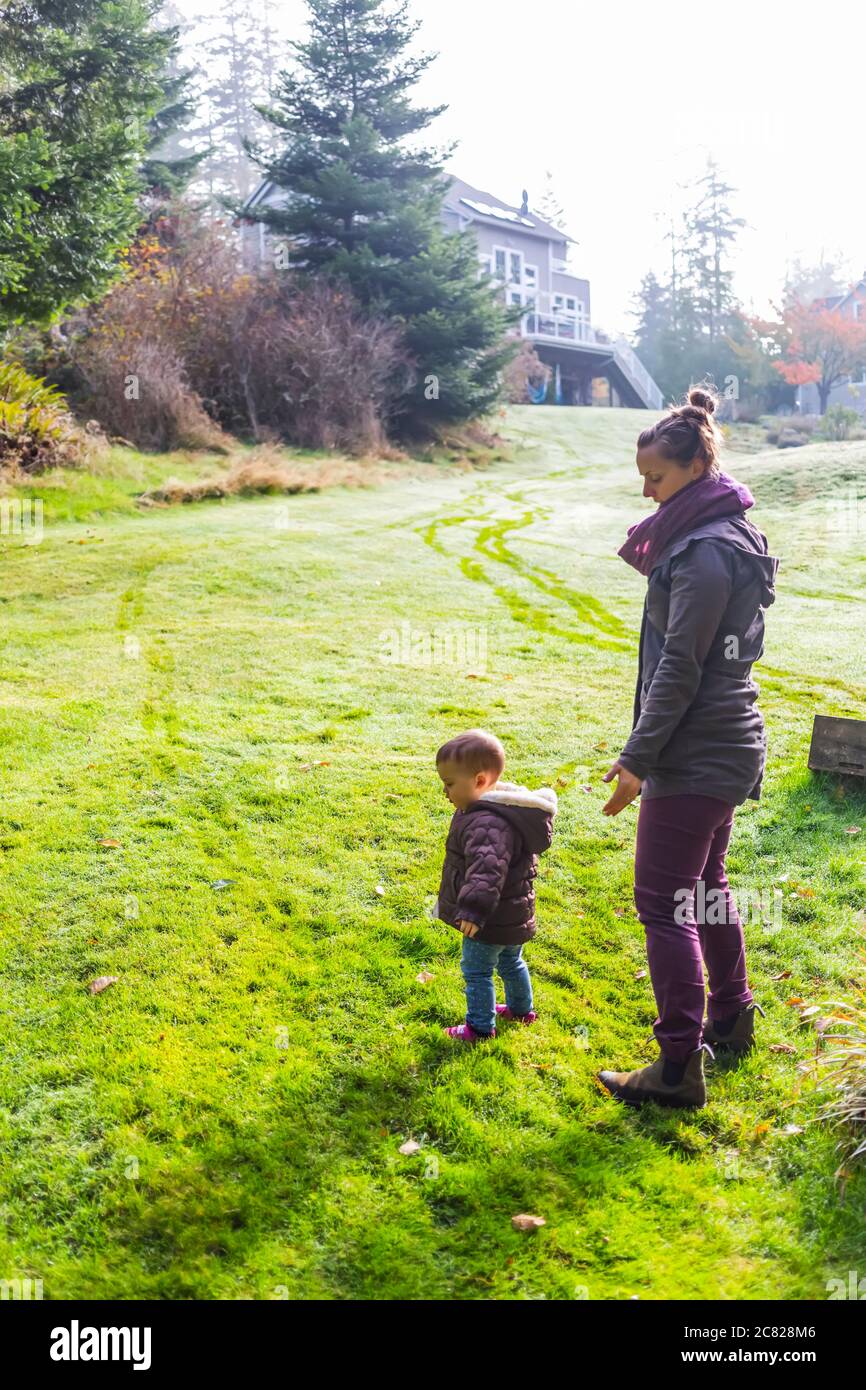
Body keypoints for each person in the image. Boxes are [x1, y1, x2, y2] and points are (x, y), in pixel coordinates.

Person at [598, 386, 779, 1109]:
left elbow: (681, 664)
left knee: (663, 903)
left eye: (658, 478)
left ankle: (677, 1067)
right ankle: (731, 1017)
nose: (647, 491)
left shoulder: (704, 551)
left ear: (698, 464)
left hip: (698, 749)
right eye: (643, 477)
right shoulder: (721, 530)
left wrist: (638, 759)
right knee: (704, 889)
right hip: (726, 741)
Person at [434, 730, 557, 1043]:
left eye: (449, 784)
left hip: (487, 918)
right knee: (511, 960)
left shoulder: (486, 822)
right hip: (513, 914)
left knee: (476, 971)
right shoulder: (505, 812)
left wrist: (473, 912)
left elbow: (487, 871)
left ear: (478, 781)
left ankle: (479, 1028)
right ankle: (520, 1010)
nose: (445, 792)